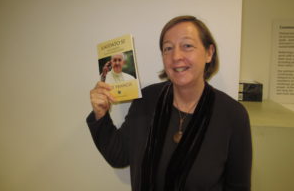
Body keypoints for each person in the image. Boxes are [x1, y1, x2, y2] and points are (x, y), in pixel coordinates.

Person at [87, 15, 252, 191]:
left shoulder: (233, 115)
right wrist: (101, 114)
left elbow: (238, 187)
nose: (176, 56)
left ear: (209, 53)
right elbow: (119, 156)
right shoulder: (147, 99)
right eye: (168, 48)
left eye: (187, 46)